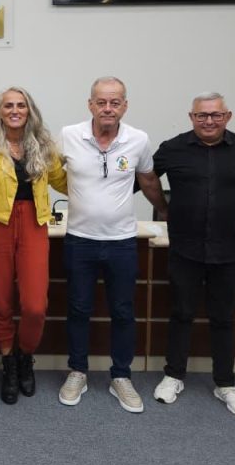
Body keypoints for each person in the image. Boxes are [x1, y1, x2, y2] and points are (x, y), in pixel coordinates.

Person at [151, 92, 235, 416]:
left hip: (229, 250)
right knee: (181, 313)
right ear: (191, 117)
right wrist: (162, 207)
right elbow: (143, 179)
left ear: (227, 117)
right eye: (201, 115)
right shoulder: (173, 148)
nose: (209, 121)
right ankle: (173, 376)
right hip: (184, 249)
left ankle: (225, 383)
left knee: (224, 319)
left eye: (216, 115)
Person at [58, 76, 168, 413]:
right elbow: (45, 172)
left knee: (122, 311)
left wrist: (166, 212)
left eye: (115, 102)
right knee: (78, 309)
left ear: (125, 106)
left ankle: (121, 375)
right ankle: (78, 371)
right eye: (101, 102)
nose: (108, 108)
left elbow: (148, 180)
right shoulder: (69, 135)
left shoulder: (138, 140)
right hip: (80, 241)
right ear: (90, 104)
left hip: (121, 242)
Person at [0, 87, 67, 404]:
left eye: (21, 105)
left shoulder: (43, 146)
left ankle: (25, 355)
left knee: (34, 305)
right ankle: (9, 363)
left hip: (34, 224)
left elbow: (64, 182)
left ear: (29, 111)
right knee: (0, 300)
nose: (14, 110)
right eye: (8, 105)